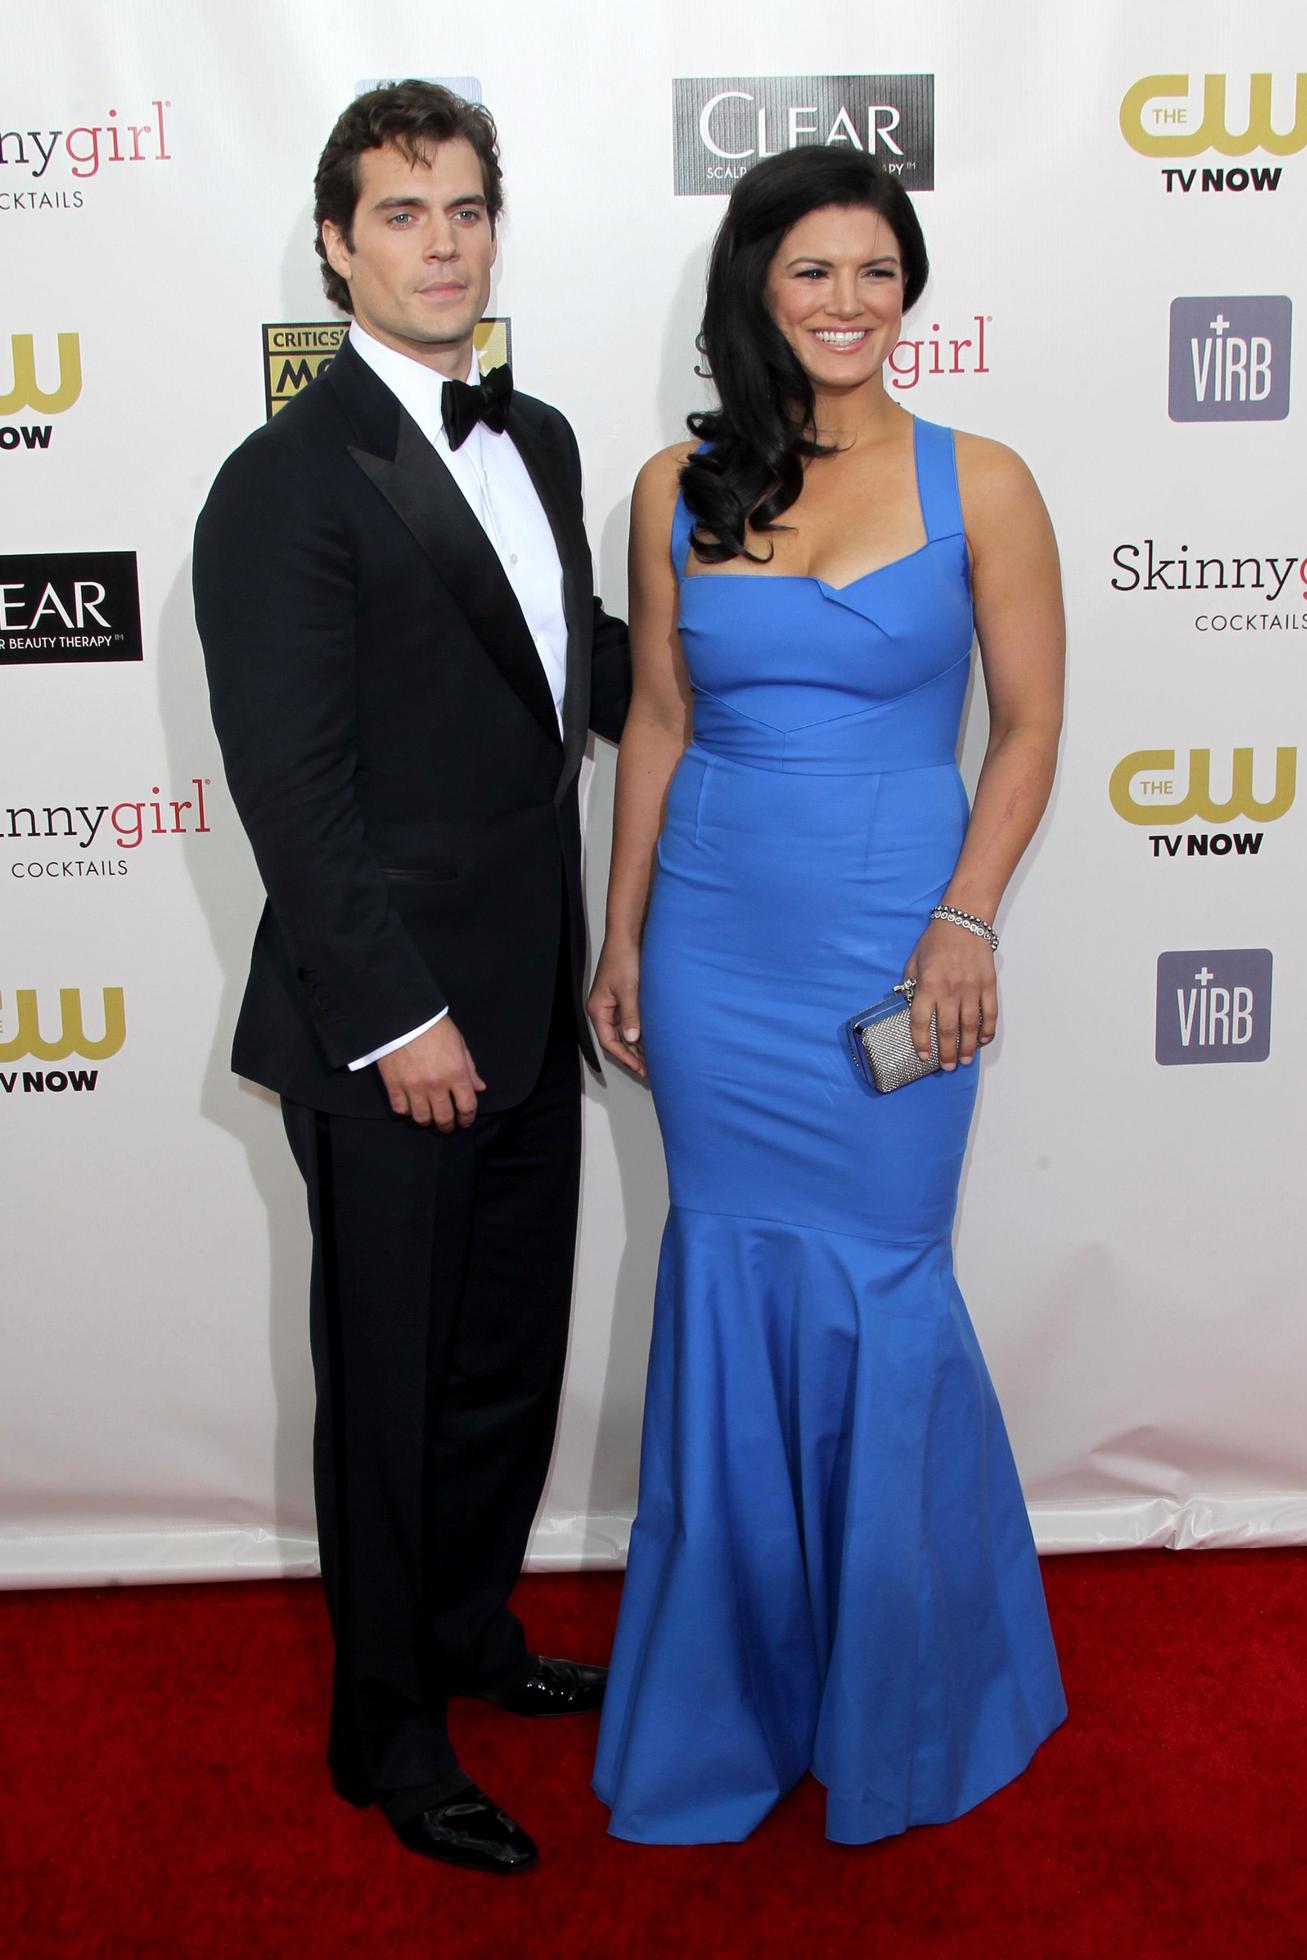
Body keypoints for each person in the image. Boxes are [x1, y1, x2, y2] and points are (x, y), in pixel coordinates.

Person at [588, 147, 1067, 1845]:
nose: (849, 301)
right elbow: (655, 719)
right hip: (717, 952)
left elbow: (1025, 729)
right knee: (728, 1288)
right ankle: (733, 1699)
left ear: (909, 287)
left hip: (898, 950)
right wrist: (625, 931)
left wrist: (967, 923)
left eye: (878, 269)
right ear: (756, 289)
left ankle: (901, 1703)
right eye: (813, 271)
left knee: (884, 1288)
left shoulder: (982, 482)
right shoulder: (675, 486)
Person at [193, 81, 629, 1875]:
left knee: (504, 1363)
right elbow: (294, 791)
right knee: (389, 1379)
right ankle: (385, 1732)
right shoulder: (281, 482)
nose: (440, 242)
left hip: (528, 1003)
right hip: (397, 1033)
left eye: (464, 210)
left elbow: (577, 673)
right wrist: (400, 1022)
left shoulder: (541, 439)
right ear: (333, 239)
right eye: (400, 213)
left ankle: (466, 1634)